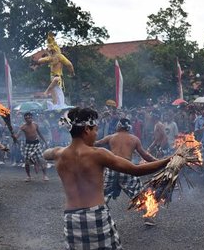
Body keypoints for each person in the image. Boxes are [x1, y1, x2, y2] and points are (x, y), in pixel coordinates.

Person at [43, 107, 170, 249]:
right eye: (95, 130)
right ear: (87, 130)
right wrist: (168, 160)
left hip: (71, 218)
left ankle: (148, 213)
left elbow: (45, 153)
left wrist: (59, 150)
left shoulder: (58, 153)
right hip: (95, 216)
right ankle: (149, 215)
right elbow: (136, 170)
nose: (96, 134)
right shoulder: (98, 154)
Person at [94, 118, 161, 226]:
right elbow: (145, 156)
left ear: (119, 126)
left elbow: (96, 144)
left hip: (112, 168)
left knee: (102, 196)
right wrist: (159, 162)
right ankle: (148, 218)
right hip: (126, 168)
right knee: (139, 194)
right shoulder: (134, 139)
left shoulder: (111, 137)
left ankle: (96, 219)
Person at [33, 32, 75, 110]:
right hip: (53, 77)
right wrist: (42, 59)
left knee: (57, 88)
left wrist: (72, 73)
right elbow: (40, 60)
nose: (51, 52)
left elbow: (69, 65)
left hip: (57, 77)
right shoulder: (51, 57)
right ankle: (54, 101)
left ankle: (48, 93)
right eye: (50, 50)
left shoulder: (59, 56)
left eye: (52, 50)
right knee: (56, 94)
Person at [13, 112, 49, 182]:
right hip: (28, 145)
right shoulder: (23, 127)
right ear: (25, 119)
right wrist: (14, 137)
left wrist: (45, 141)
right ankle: (28, 176)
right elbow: (17, 136)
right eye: (26, 118)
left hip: (36, 144)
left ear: (32, 118)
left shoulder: (35, 125)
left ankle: (45, 175)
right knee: (27, 162)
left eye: (29, 118)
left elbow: (40, 133)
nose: (28, 119)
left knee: (41, 160)